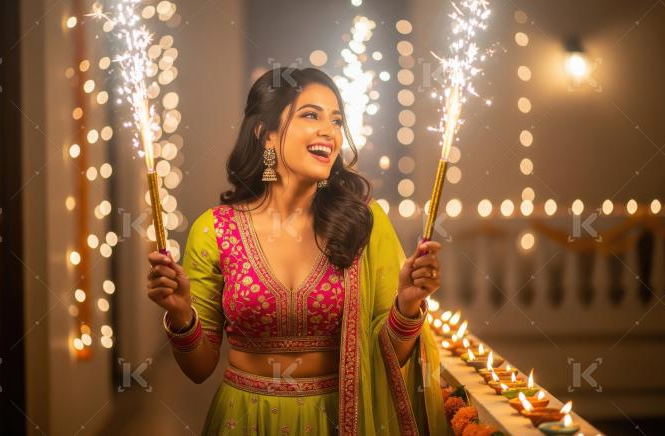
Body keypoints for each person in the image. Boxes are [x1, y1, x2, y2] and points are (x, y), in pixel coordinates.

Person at [146, 67, 449, 435]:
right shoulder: (215, 229)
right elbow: (199, 369)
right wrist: (181, 315)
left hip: (337, 422)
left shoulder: (363, 225)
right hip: (244, 420)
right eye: (311, 115)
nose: (329, 131)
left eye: (336, 120)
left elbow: (389, 357)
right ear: (266, 134)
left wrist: (408, 304)